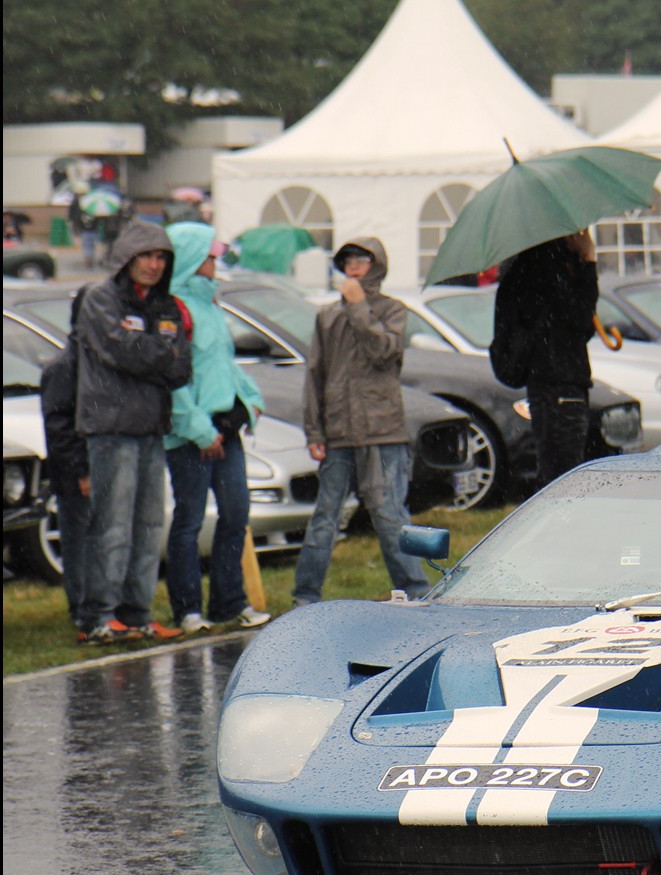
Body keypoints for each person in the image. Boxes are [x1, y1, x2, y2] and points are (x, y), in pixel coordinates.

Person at [292, 238, 428, 605]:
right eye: (348, 259)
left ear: (377, 265)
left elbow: (384, 351)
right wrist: (314, 430)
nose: (354, 265)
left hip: (383, 433)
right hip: (338, 433)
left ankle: (416, 593)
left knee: (390, 515)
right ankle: (305, 597)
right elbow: (315, 375)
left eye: (362, 259)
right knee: (325, 517)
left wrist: (358, 307)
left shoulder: (392, 310)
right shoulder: (326, 316)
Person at [74, 221, 192, 643]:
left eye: (161, 257)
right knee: (113, 524)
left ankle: (138, 613)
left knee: (148, 526)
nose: (154, 264)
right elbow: (121, 353)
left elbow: (182, 369)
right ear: (127, 257)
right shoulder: (99, 297)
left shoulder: (166, 305)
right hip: (110, 428)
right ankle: (98, 616)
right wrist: (160, 353)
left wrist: (150, 354)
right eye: (146, 255)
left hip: (151, 427)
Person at [163, 222, 269, 633]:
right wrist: (201, 430)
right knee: (189, 520)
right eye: (210, 256)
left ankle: (230, 602)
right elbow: (173, 380)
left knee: (236, 513)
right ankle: (188, 609)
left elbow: (224, 365)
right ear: (192, 258)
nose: (215, 264)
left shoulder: (210, 305)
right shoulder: (173, 310)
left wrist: (251, 402)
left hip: (226, 432)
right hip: (190, 437)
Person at [495, 233, 599, 487]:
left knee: (552, 469)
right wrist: (587, 261)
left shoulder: (520, 270)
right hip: (561, 385)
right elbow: (580, 321)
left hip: (543, 385)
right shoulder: (549, 270)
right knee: (565, 475)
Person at [40, 315, 91, 636]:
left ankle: (98, 606)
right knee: (79, 541)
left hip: (92, 464)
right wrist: (80, 471)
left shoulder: (91, 362)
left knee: (94, 538)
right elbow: (58, 425)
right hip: (74, 472)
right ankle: (82, 609)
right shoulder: (65, 366)